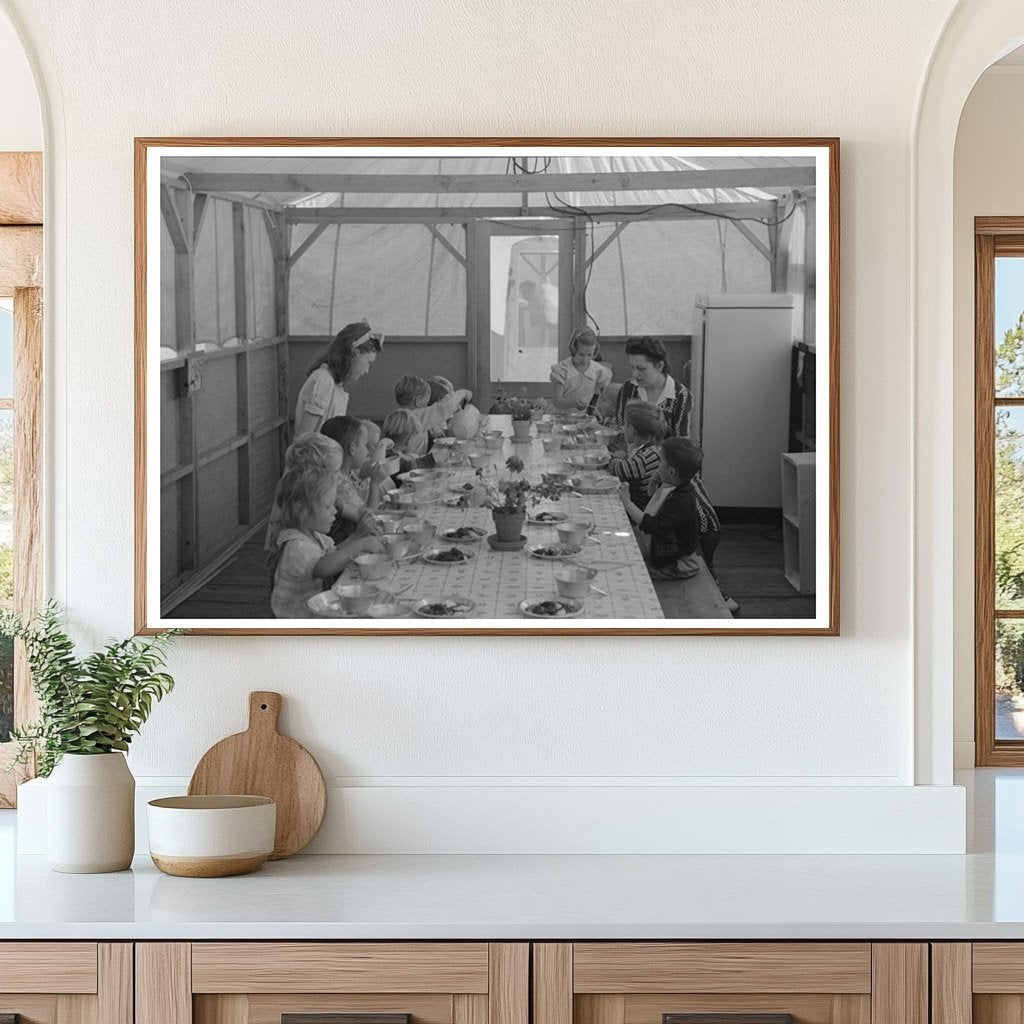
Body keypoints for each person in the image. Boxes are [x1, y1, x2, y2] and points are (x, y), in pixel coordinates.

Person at [270, 465, 383, 618]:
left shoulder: (316, 536)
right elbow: (324, 568)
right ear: (301, 509)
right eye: (328, 506)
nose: (335, 511)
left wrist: (358, 535)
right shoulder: (296, 546)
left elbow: (334, 553)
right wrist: (361, 544)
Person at [619, 436, 703, 581]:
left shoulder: (681, 500)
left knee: (633, 572)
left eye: (660, 461)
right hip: (663, 548)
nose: (658, 465)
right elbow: (654, 509)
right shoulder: (673, 484)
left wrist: (627, 503)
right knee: (625, 548)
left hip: (677, 562)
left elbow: (652, 525)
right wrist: (652, 490)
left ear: (671, 471)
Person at [263, 432, 344, 569]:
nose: (340, 477)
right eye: (336, 472)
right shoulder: (295, 542)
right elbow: (321, 568)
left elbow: (330, 552)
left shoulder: (310, 525)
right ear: (315, 478)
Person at [293, 321, 384, 437]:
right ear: (355, 353)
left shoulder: (337, 385)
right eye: (368, 362)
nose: (367, 370)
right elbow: (302, 439)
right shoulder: (323, 380)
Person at [320, 416, 389, 543]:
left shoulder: (350, 474)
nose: (368, 451)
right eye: (365, 445)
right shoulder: (339, 484)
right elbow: (370, 518)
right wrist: (375, 483)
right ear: (352, 449)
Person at [614, 335, 692, 438]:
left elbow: (681, 443)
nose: (634, 374)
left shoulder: (681, 396)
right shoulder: (629, 388)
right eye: (632, 367)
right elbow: (621, 426)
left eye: (641, 369)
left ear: (659, 366)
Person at [393, 374, 472, 455]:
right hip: (412, 464)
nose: (427, 406)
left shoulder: (398, 416)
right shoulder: (413, 417)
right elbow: (444, 407)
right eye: (426, 402)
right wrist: (463, 392)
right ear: (418, 400)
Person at [608, 401, 665, 508]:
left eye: (625, 424)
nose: (622, 428)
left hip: (639, 509)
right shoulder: (653, 447)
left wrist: (613, 458)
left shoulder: (645, 457)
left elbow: (617, 468)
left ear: (631, 430)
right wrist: (625, 456)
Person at [549, 327, 613, 412]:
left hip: (582, 417)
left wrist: (596, 409)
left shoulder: (598, 371)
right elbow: (557, 401)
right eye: (581, 355)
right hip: (560, 416)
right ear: (573, 349)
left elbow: (602, 395)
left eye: (589, 355)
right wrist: (573, 403)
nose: (585, 360)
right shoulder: (562, 370)